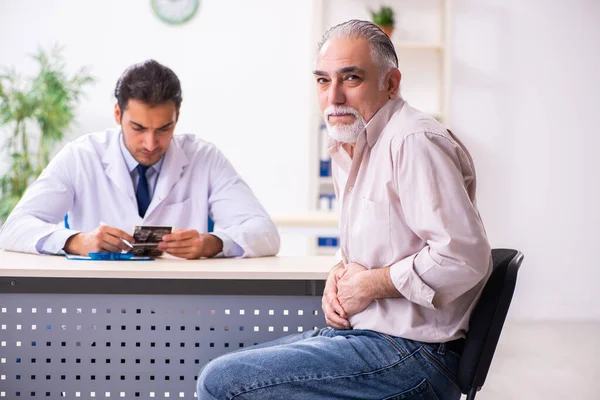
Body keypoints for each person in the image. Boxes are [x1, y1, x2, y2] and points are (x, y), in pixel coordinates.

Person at [196, 20, 492, 399]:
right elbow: (378, 243)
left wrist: (372, 284)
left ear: (391, 82)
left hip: (414, 355)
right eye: (323, 80)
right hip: (368, 336)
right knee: (228, 370)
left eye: (351, 78)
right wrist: (339, 275)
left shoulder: (413, 141)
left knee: (221, 383)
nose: (333, 97)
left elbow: (463, 257)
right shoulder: (350, 143)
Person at [0, 60, 280, 259]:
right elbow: (14, 228)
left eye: (164, 129)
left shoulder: (203, 157)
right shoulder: (81, 156)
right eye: (138, 128)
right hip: (95, 305)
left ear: (177, 117)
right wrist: (76, 241)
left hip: (183, 308)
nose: (150, 143)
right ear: (118, 115)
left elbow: (265, 232)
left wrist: (213, 243)